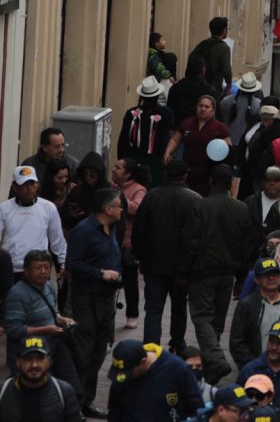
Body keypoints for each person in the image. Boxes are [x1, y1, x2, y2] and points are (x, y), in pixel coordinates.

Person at [187, 164, 253, 385]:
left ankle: (215, 359)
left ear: (212, 182)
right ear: (230, 183)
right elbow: (246, 245)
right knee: (216, 319)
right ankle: (211, 364)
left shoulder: (201, 206)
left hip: (203, 271)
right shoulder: (241, 208)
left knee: (202, 317)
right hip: (228, 272)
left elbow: (192, 241)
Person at [131, 159, 200, 354]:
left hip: (154, 265)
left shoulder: (152, 197)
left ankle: (151, 346)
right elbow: (196, 236)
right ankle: (177, 343)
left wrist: (140, 257)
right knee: (179, 306)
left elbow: (139, 230)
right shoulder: (194, 199)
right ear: (185, 176)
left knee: (153, 308)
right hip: (182, 267)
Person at [66, 187, 123, 418]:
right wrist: (101, 273)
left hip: (106, 301)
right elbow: (73, 264)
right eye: (119, 205)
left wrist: (116, 275)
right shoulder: (84, 231)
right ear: (108, 209)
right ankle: (75, 404)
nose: (121, 209)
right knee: (83, 353)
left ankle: (87, 400)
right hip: (86, 299)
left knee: (100, 351)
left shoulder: (112, 229)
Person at [2, 250, 81, 395]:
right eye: (38, 268)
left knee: (71, 386)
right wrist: (45, 330)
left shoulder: (49, 286)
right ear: (26, 270)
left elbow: (53, 311)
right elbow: (13, 329)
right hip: (30, 352)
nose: (43, 272)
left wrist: (62, 319)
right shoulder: (17, 294)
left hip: (53, 346)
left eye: (46, 267)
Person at [229, 258, 280, 370]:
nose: (271, 278)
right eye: (266, 275)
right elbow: (236, 342)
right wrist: (253, 366)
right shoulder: (246, 305)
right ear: (257, 280)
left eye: (275, 274)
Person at [107, 338, 204, 421]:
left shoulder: (176, 368)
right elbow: (115, 410)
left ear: (143, 362)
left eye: (128, 373)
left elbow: (197, 407)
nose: (124, 377)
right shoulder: (123, 372)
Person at [0, 166, 67, 277]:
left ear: (37, 185)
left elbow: (57, 240)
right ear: (15, 187)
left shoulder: (49, 208)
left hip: (39, 271)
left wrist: (63, 262)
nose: (29, 188)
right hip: (11, 269)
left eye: (32, 183)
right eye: (24, 184)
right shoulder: (4, 208)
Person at [162, 95, 232, 196]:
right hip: (187, 173)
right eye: (200, 106)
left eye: (207, 107)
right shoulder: (187, 123)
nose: (203, 109)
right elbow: (175, 139)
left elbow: (228, 149)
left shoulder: (220, 128)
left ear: (213, 110)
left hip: (208, 175)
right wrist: (168, 152)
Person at [0, 336, 81, 421]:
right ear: (18, 361)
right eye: (28, 359)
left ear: (49, 360)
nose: (34, 365)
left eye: (40, 358)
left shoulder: (64, 393)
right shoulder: (3, 392)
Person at [118, 77, 175, 186]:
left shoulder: (131, 113)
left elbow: (123, 140)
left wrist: (122, 161)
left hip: (133, 161)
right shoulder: (167, 113)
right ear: (157, 95)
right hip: (156, 161)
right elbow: (168, 135)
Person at [112, 158, 148, 330]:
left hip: (127, 242)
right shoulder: (112, 187)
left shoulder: (139, 189)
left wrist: (120, 198)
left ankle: (132, 313)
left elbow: (136, 208)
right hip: (111, 240)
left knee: (130, 280)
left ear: (128, 174)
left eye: (118, 168)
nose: (114, 170)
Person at [189, 16, 232, 93]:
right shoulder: (224, 48)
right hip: (212, 88)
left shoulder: (202, 44)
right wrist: (229, 85)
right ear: (224, 30)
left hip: (195, 86)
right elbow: (227, 69)